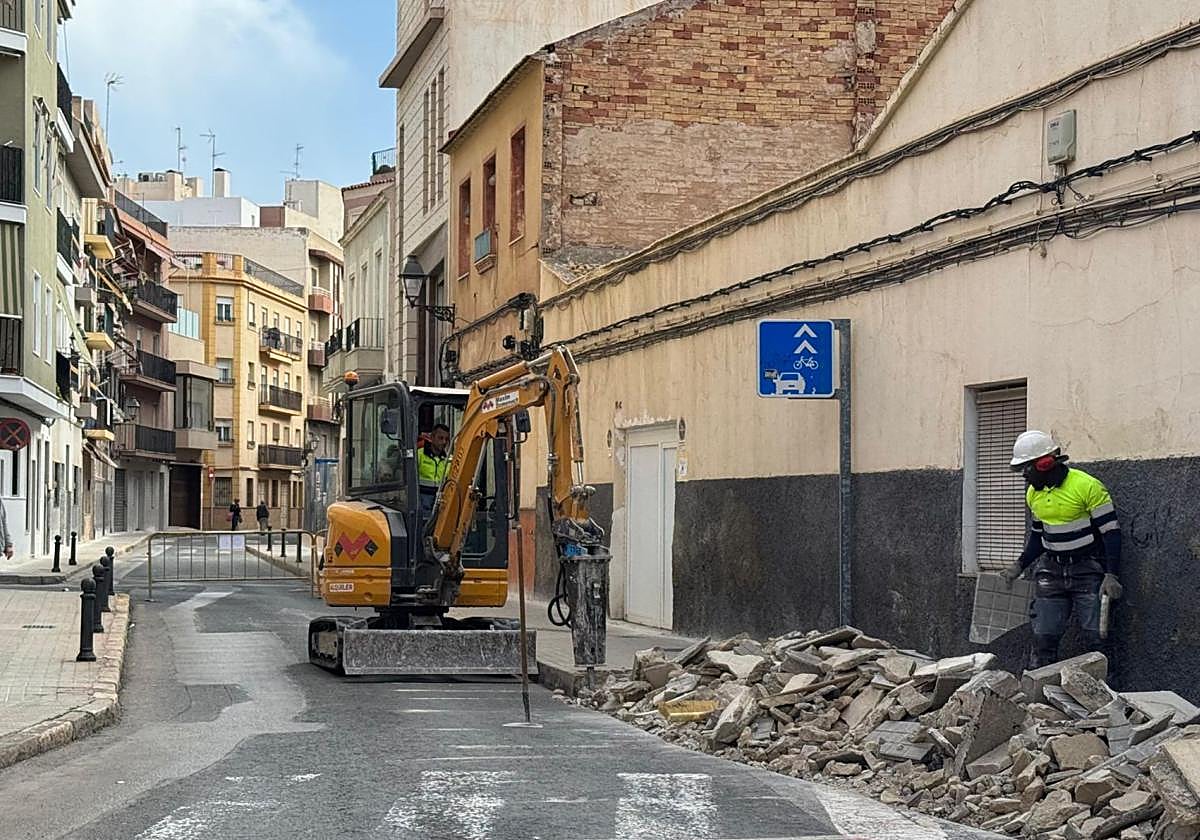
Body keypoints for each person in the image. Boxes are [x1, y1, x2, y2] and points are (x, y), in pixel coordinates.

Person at [1002, 430, 1123, 668]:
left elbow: (1111, 533)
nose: (1025, 476)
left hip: (1087, 569)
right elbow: (1038, 537)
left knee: (1096, 638)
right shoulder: (1032, 494)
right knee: (1043, 637)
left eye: (1027, 468)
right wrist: (1018, 565)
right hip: (1051, 571)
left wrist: (1111, 574)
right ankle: (1041, 697)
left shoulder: (1087, 486)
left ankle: (1101, 697)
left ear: (1045, 463)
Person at [417, 423, 452, 520]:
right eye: (440, 438)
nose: (444, 442)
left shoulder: (448, 460)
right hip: (423, 499)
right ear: (432, 437)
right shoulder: (419, 455)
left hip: (439, 500)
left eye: (446, 439)